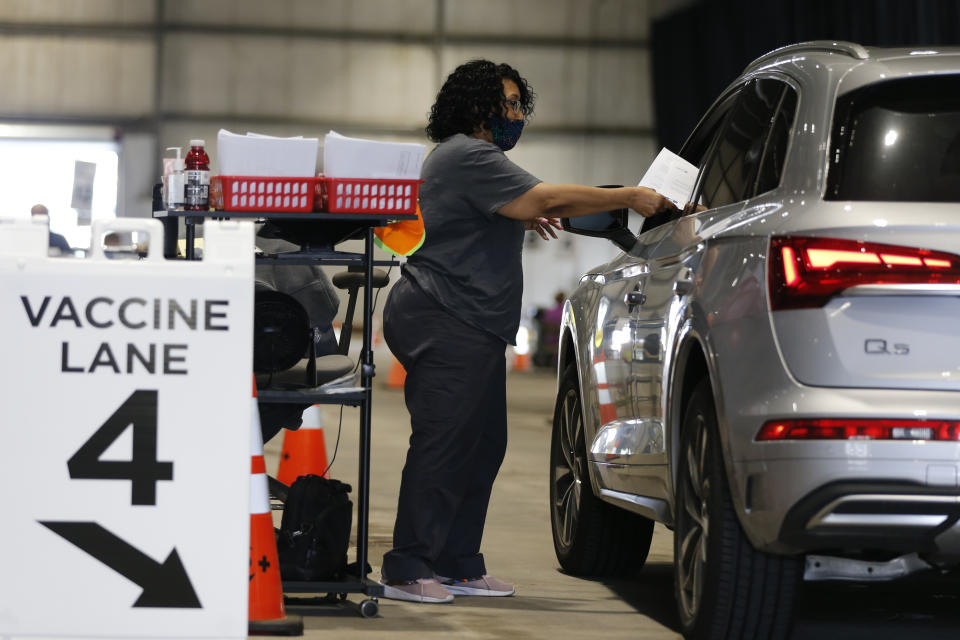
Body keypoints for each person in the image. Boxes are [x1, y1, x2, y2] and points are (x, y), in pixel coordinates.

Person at [379, 59, 676, 604]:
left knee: (484, 444)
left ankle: (458, 563)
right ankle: (406, 565)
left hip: (471, 322)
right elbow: (543, 198)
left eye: (520, 105)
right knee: (446, 443)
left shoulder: (469, 162)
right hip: (447, 315)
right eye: (508, 104)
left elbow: (522, 205)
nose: (516, 114)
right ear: (476, 108)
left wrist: (520, 212)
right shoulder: (469, 153)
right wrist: (628, 197)